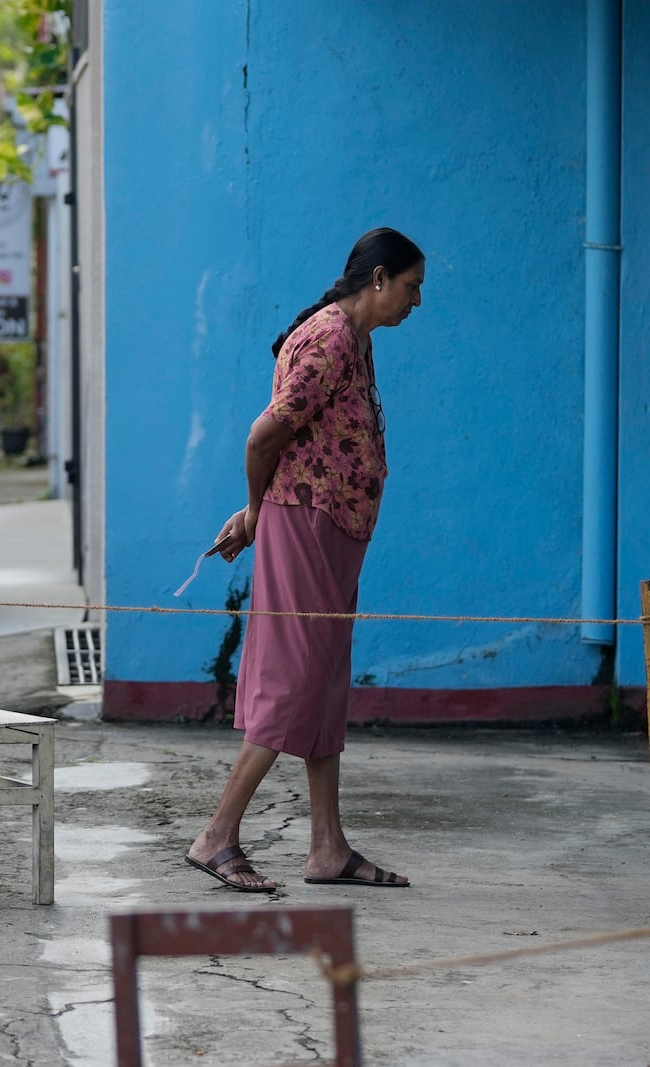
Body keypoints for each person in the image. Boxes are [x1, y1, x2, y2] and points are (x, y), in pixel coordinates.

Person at [185, 227, 424, 892]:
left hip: (332, 526)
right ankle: (217, 835)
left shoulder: (356, 337)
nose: (416, 300)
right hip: (309, 525)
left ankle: (326, 845)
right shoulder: (330, 337)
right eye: (411, 286)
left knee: (321, 682)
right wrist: (259, 511)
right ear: (378, 278)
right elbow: (265, 434)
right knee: (292, 679)